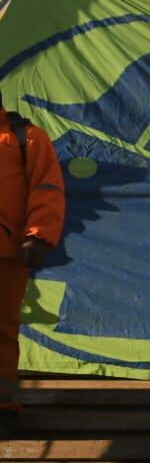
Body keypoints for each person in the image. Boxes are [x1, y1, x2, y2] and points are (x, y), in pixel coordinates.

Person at [0, 92, 65, 437]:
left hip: (6, 256)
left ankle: (3, 409)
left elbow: (48, 189)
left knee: (2, 332)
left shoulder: (28, 137)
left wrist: (37, 236)